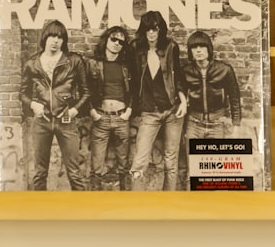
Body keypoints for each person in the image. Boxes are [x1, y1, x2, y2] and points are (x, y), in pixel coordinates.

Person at [19, 19, 89, 191]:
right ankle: (41, 212)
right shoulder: (32, 63)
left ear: (64, 41)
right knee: (40, 172)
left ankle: (85, 213)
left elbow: (86, 92)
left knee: (74, 172)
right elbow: (22, 93)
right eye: (52, 36)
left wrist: (74, 110)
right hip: (42, 122)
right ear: (45, 38)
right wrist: (33, 105)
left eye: (59, 37)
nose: (55, 40)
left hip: (66, 121)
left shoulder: (73, 61)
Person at [127, 10, 187, 190]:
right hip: (149, 112)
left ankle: (169, 200)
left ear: (161, 30)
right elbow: (131, 79)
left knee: (171, 158)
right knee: (139, 160)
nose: (152, 33)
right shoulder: (135, 49)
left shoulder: (170, 47)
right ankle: (137, 204)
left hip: (172, 110)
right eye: (148, 30)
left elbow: (178, 77)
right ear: (143, 31)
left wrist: (183, 102)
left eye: (155, 29)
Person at [84, 25, 133, 190]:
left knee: (123, 164)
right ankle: (95, 202)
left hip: (122, 118)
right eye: (113, 39)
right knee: (97, 165)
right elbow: (85, 89)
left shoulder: (126, 66)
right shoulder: (93, 64)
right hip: (101, 118)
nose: (117, 43)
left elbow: (135, 90)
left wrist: (129, 111)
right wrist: (92, 111)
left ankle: (125, 199)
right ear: (106, 40)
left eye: (121, 41)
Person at [181, 30, 242, 141]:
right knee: (193, 158)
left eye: (202, 46)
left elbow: (235, 98)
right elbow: (179, 93)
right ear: (190, 51)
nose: (198, 50)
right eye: (194, 47)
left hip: (217, 124)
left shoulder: (224, 70)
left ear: (208, 49)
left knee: (213, 158)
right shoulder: (185, 71)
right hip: (193, 125)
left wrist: (236, 125)